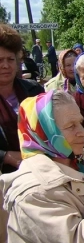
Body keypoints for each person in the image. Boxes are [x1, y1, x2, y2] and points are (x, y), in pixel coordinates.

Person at [0, 90, 84, 243]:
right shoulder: (35, 192)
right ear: (44, 132)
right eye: (70, 126)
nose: (83, 132)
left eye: (80, 123)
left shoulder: (79, 162)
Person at [0, 25, 44, 174]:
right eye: (0, 60)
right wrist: (6, 156)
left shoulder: (34, 90)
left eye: (10, 59)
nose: (5, 65)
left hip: (39, 171)